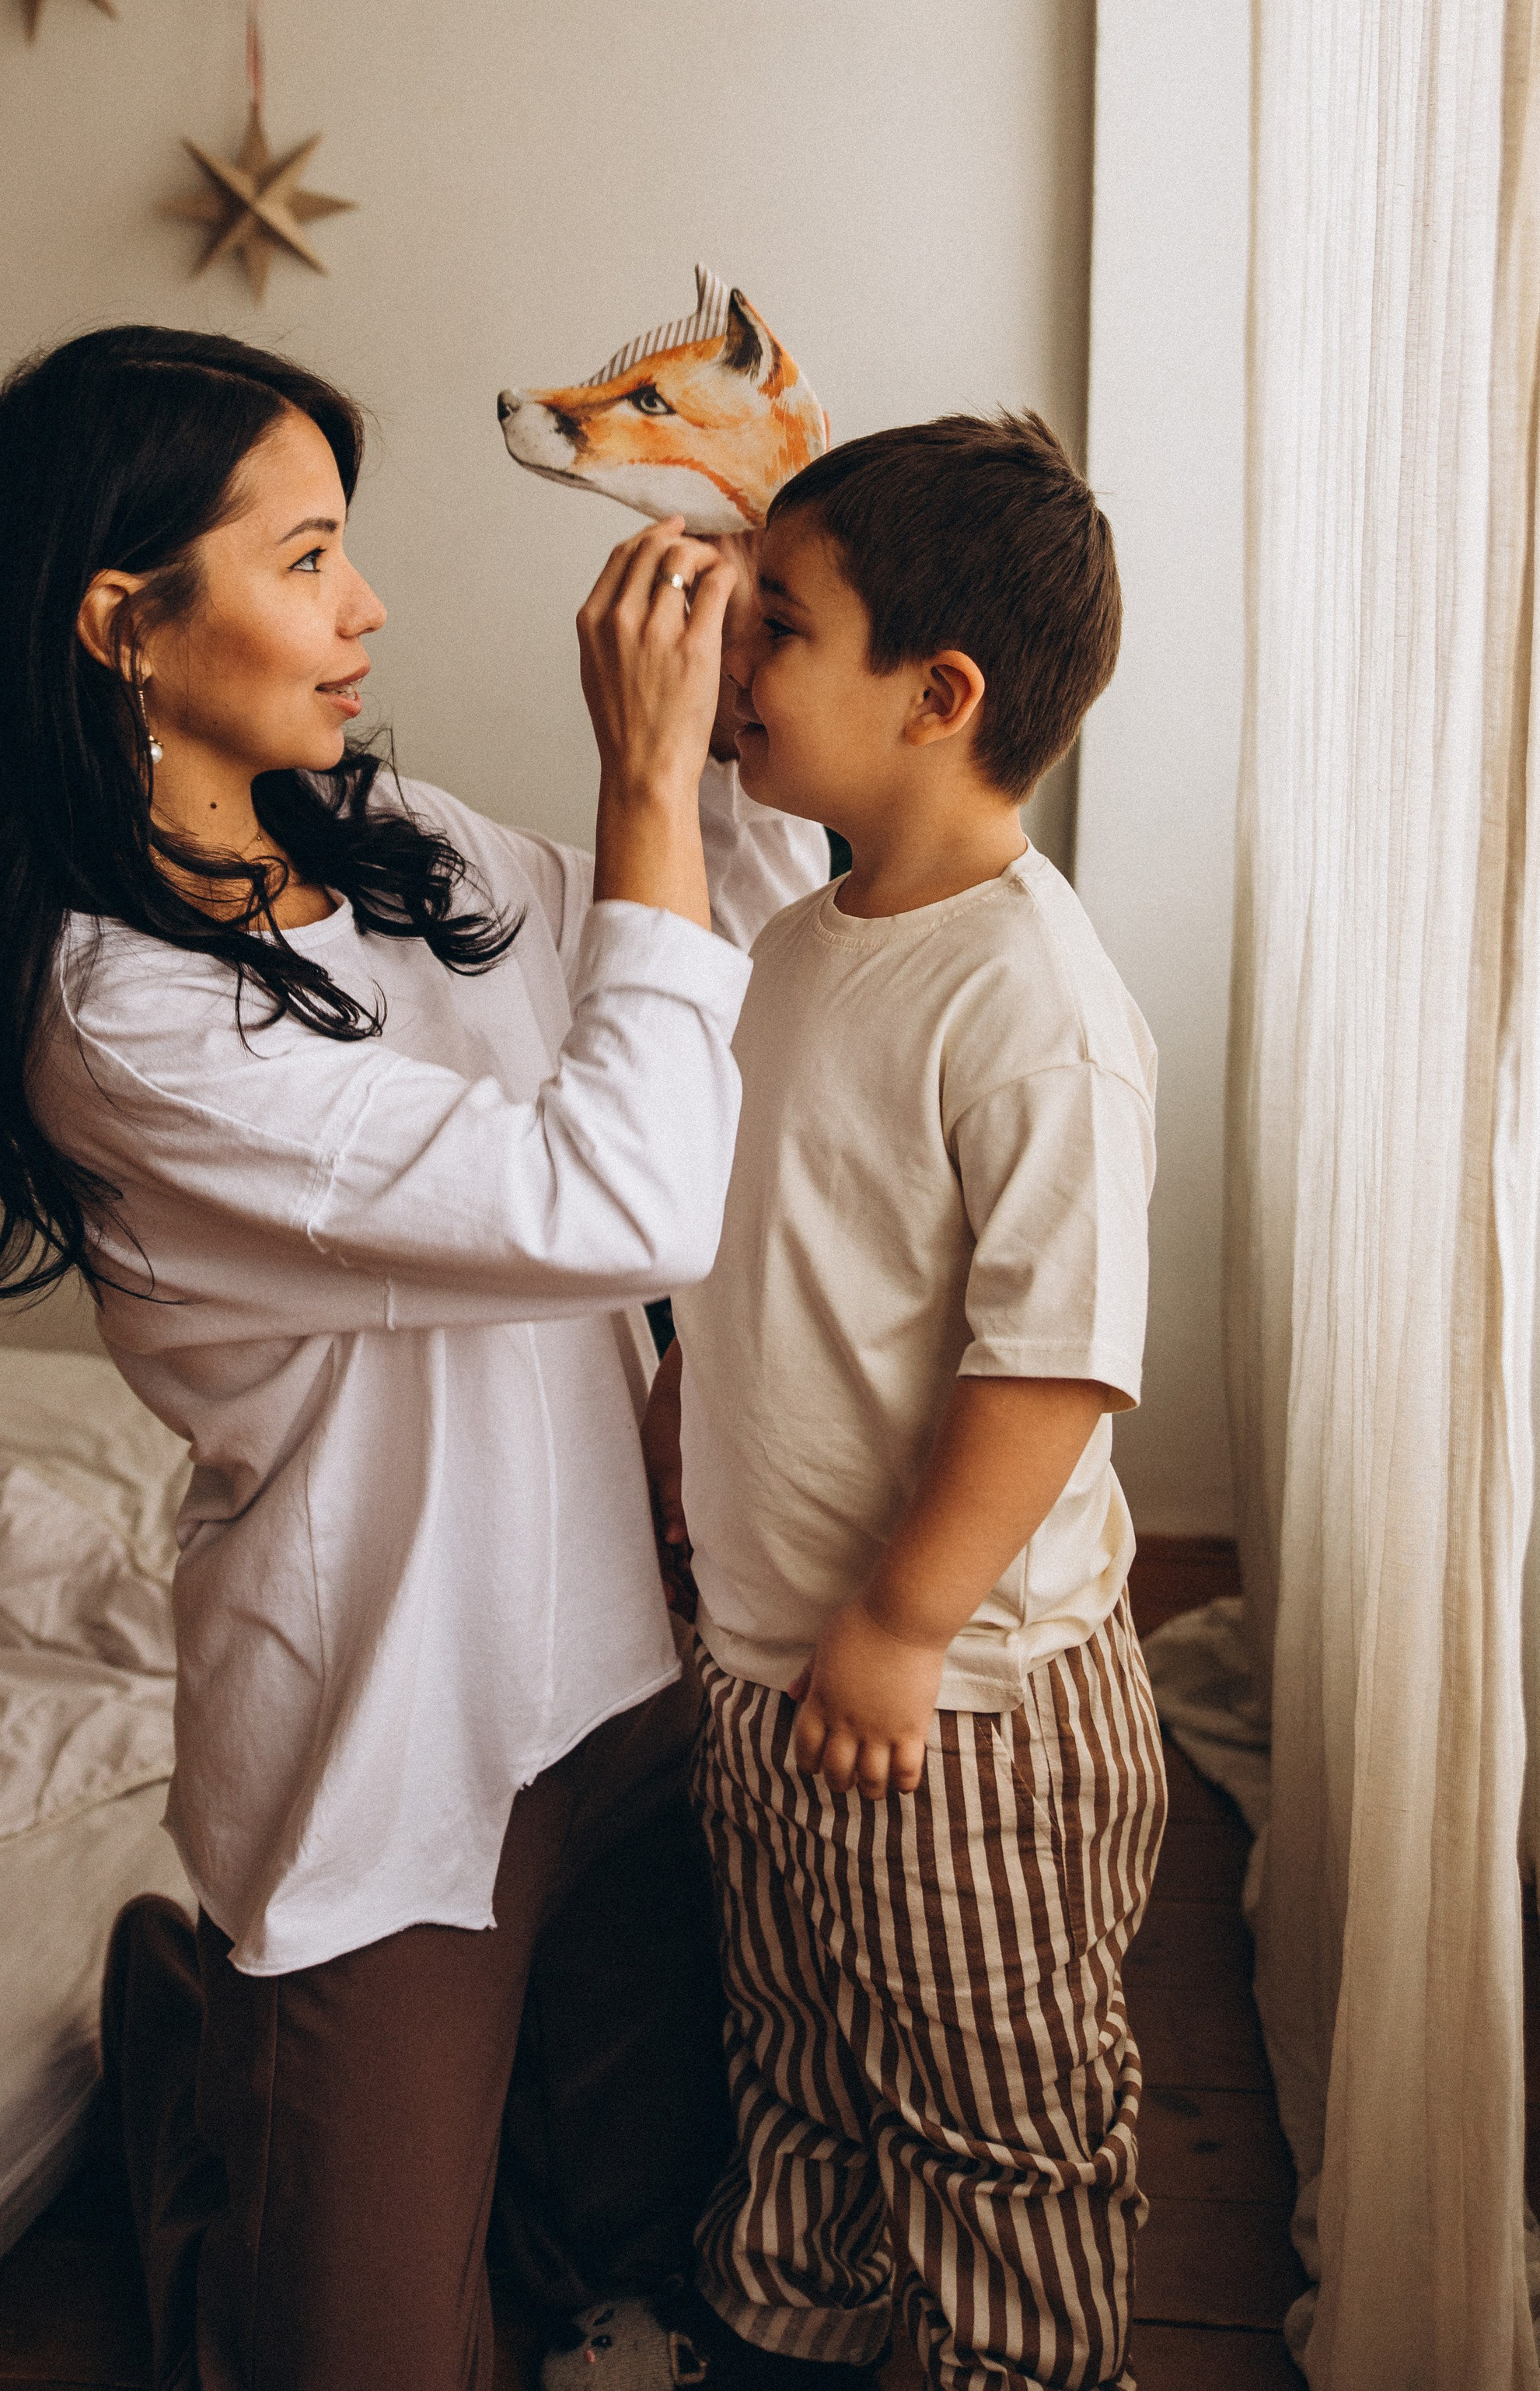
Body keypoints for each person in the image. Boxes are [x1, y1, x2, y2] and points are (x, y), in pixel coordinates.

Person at [0, 325, 826, 2391]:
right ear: (123, 622)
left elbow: (690, 988)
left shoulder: (383, 830)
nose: (367, 608)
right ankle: (194, 2040)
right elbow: (627, 1201)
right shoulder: (117, 1019)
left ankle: (287, 2073)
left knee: (648, 2247)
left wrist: (755, 716)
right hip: (395, 1742)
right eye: (309, 556)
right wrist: (646, 773)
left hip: (620, 1680)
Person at [629, 414, 1167, 2391]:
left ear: (936, 697)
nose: (731, 668)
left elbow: (1052, 1361)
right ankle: (781, 2340)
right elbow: (758, 1243)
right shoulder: (794, 942)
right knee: (798, 2067)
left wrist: (900, 1619)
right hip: (779, 1663)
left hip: (956, 1711)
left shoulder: (1027, 1001)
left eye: (774, 626)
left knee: (984, 2111)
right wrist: (685, 1426)